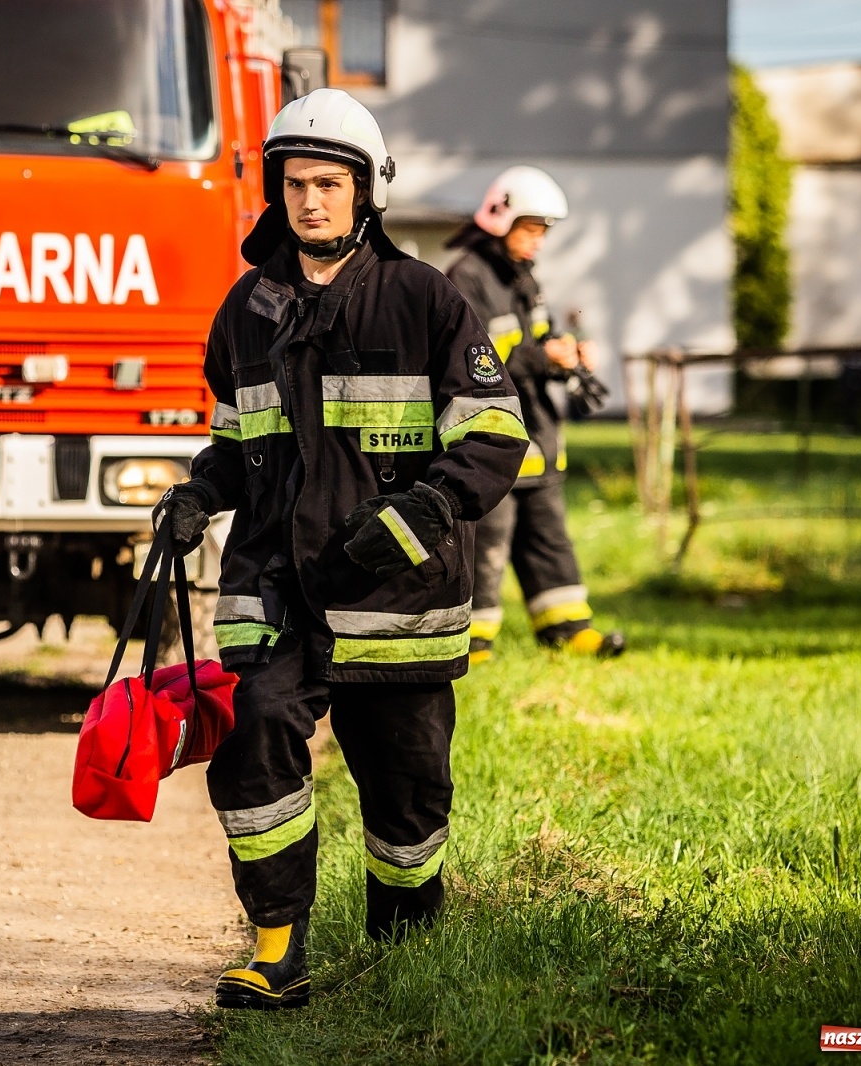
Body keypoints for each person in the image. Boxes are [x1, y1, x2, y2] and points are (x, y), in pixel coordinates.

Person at [154, 89, 529, 1010]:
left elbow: (492, 433)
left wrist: (416, 518)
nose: (310, 200)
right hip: (279, 590)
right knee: (256, 749)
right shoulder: (249, 308)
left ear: (368, 192)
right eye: (294, 183)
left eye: (328, 182)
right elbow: (240, 442)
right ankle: (277, 949)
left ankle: (406, 954)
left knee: (408, 796)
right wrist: (199, 493)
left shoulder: (426, 300)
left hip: (396, 602)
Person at [444, 167, 625, 662]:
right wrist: (542, 357)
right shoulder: (466, 277)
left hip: (538, 439)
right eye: (531, 231)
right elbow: (472, 360)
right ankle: (471, 641)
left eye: (543, 233)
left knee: (549, 537)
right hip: (493, 442)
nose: (537, 244)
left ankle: (567, 628)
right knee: (487, 544)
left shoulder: (524, 279)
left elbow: (532, 340)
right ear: (499, 219)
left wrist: (564, 353)